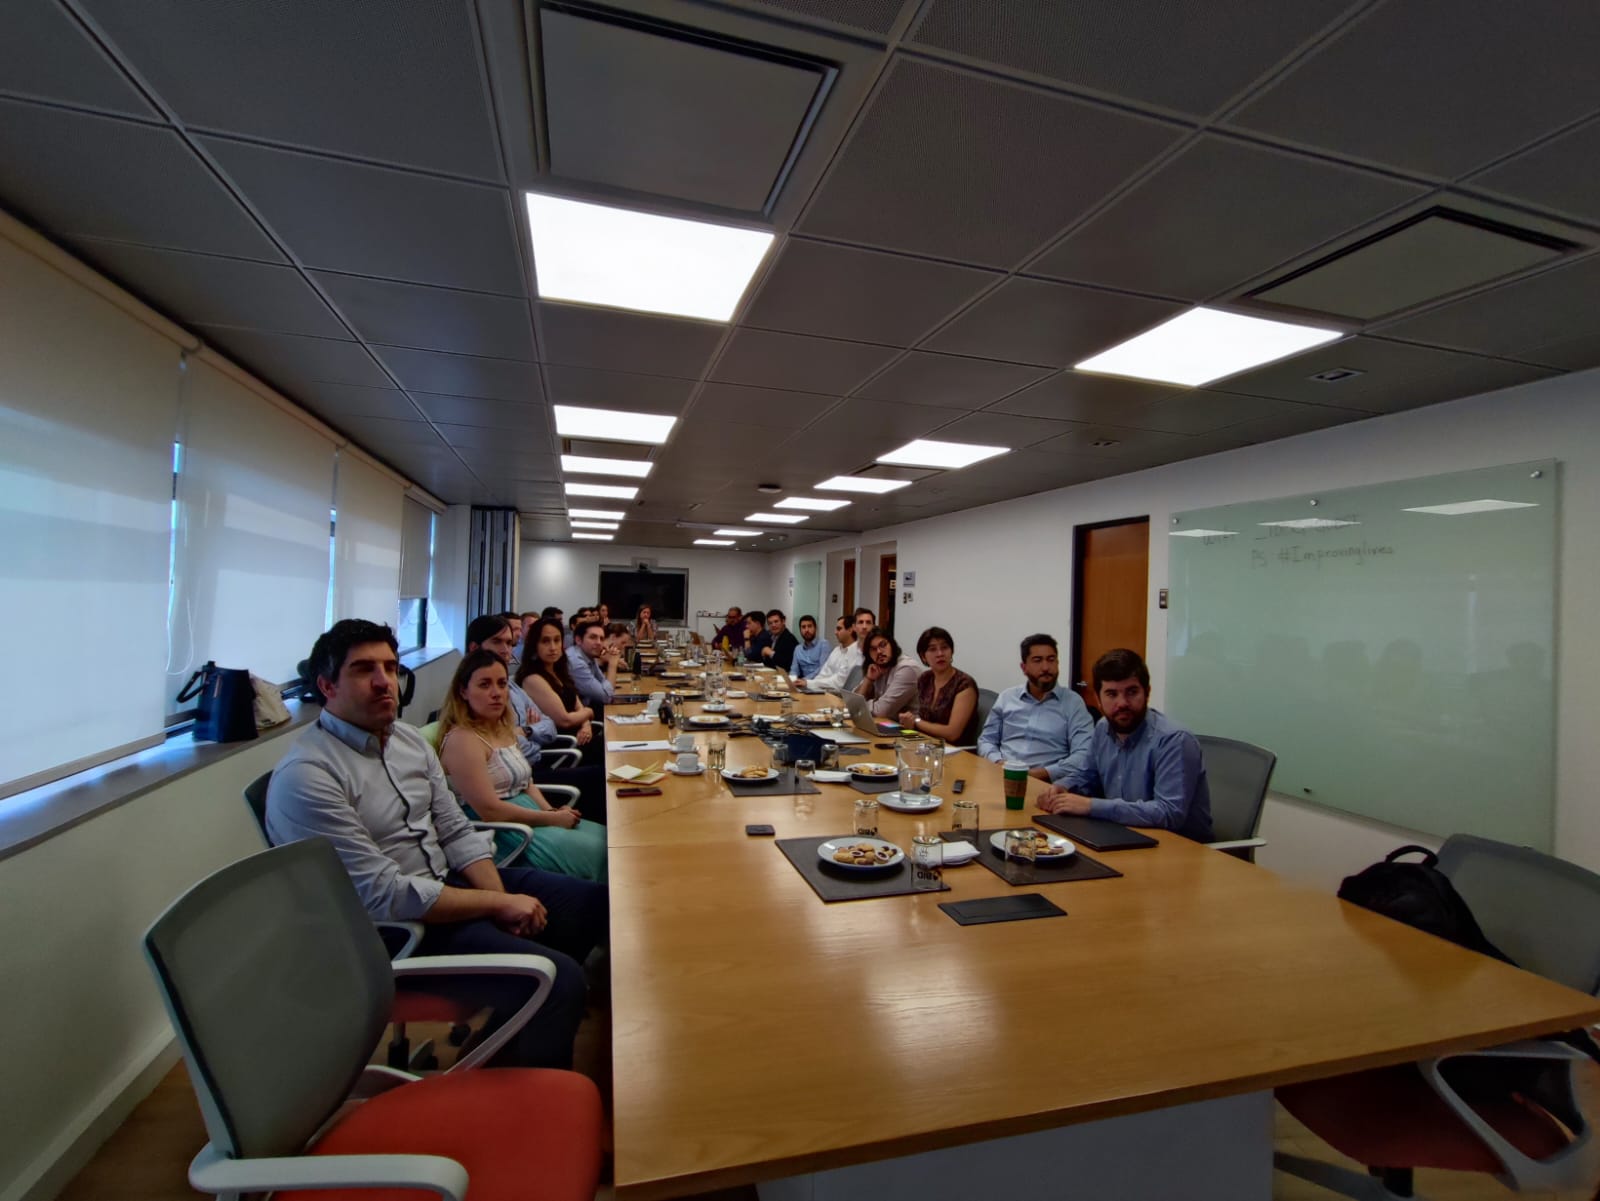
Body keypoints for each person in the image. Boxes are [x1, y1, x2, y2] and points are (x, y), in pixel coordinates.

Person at [265, 619, 607, 1070]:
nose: (385, 681)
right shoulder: (310, 776)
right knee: (558, 981)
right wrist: (495, 904)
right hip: (395, 931)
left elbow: (456, 831)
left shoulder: (407, 741)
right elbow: (385, 894)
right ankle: (512, 1087)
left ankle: (507, 1037)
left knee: (597, 905)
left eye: (391, 667)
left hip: (448, 884)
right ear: (327, 686)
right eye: (364, 670)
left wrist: (498, 901)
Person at [437, 650, 607, 882]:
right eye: (485, 685)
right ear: (463, 691)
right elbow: (490, 811)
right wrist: (551, 819)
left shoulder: (502, 730)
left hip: (532, 818)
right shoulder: (462, 740)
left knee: (610, 839)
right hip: (506, 833)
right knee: (601, 854)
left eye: (502, 684)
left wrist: (551, 811)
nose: (496, 693)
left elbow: (527, 783)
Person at [1036, 648, 1213, 842]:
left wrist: (1091, 806)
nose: (1122, 703)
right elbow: (1087, 776)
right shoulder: (1103, 728)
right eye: (1111, 694)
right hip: (1123, 836)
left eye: (1132, 692)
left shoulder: (1174, 740)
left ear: (1147, 692)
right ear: (1098, 699)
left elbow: (1169, 813)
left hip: (1180, 848)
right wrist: (1063, 787)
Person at [467, 613, 608, 821]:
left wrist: (527, 730)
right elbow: (512, 747)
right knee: (602, 774)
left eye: (509, 643)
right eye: (497, 642)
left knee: (606, 757)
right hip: (526, 776)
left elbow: (548, 726)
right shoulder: (479, 696)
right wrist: (531, 735)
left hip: (532, 770)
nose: (506, 649)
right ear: (474, 648)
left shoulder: (512, 685)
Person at [976, 633, 1095, 783]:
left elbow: (1084, 754)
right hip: (1002, 776)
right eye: (1037, 660)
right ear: (1024, 667)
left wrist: (1042, 773)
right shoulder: (1007, 698)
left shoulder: (1073, 703)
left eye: (1051, 659)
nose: (1046, 667)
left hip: (1047, 783)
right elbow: (986, 740)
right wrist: (998, 762)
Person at [518, 617, 601, 766]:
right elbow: (565, 720)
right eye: (545, 641)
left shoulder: (558, 671)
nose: (553, 647)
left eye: (557, 640)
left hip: (579, 737)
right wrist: (589, 712)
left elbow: (578, 706)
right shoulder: (532, 679)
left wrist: (586, 725)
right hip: (561, 746)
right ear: (534, 645)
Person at [899, 626, 980, 743]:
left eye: (944, 648)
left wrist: (916, 721)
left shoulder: (964, 684)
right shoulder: (925, 679)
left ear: (952, 651)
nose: (940, 654)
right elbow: (924, 719)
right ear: (923, 657)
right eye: (932, 649)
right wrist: (909, 721)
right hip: (926, 744)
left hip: (955, 749)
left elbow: (952, 733)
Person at [856, 626, 919, 718]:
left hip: (907, 726)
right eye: (873, 649)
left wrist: (860, 706)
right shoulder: (877, 668)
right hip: (886, 722)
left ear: (892, 644)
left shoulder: (907, 668)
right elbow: (854, 701)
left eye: (882, 645)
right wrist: (868, 679)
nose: (879, 651)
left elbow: (881, 711)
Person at [796, 614, 861, 692]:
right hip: (826, 693)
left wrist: (808, 683)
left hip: (840, 696)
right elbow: (824, 674)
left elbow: (838, 682)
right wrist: (809, 686)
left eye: (839, 629)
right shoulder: (837, 650)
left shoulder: (856, 653)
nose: (835, 632)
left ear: (850, 630)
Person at [567, 618, 620, 709]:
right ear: (578, 640)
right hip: (577, 714)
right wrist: (612, 664)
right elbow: (606, 697)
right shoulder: (576, 662)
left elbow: (602, 682)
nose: (599, 643)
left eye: (601, 639)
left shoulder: (589, 655)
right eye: (593, 637)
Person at [791, 615, 829, 682]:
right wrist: (792, 680)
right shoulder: (798, 649)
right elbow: (794, 670)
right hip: (802, 684)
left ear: (815, 628)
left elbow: (823, 669)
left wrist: (804, 680)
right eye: (803, 627)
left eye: (809, 626)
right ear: (800, 630)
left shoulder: (824, 645)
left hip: (818, 683)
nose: (806, 630)